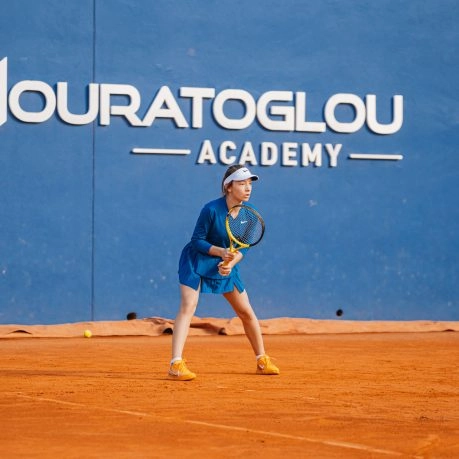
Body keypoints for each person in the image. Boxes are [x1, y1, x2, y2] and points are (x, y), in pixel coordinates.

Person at [168, 165, 280, 381]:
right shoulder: (210, 209)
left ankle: (262, 359)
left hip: (224, 262)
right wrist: (220, 252)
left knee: (246, 312)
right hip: (197, 260)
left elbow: (244, 247)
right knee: (188, 306)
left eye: (250, 184)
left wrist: (230, 262)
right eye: (242, 183)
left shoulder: (249, 214)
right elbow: (197, 240)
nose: (248, 188)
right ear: (228, 187)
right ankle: (176, 364)